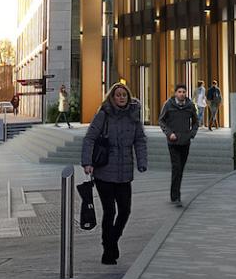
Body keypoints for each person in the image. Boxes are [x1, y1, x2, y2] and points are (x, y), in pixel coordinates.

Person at [81, 81, 149, 264]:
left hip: (125, 172)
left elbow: (140, 140)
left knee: (125, 211)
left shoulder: (133, 116)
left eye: (124, 95)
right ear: (112, 97)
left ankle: (112, 240)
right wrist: (87, 162)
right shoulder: (103, 114)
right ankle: (108, 249)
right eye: (118, 95)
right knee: (110, 211)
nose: (121, 98)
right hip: (104, 171)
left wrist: (142, 162)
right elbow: (90, 138)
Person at [159, 82, 201, 205]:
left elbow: (196, 122)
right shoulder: (168, 104)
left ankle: (175, 193)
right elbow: (161, 121)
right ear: (175, 93)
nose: (182, 94)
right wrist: (169, 133)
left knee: (180, 169)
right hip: (173, 142)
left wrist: (192, 134)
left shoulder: (190, 105)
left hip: (185, 142)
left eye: (184, 92)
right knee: (176, 168)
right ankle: (176, 196)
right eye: (179, 92)